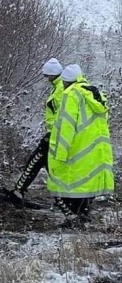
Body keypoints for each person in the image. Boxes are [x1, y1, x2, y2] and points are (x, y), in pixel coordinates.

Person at [47, 64, 114, 227]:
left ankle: (74, 219)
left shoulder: (71, 94)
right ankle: (83, 218)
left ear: (66, 81)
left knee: (63, 183)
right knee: (85, 186)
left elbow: (66, 125)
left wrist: (59, 153)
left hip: (76, 148)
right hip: (95, 151)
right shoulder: (94, 93)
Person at [8, 58, 64, 202]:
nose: (45, 78)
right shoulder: (60, 87)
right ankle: (20, 190)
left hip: (56, 134)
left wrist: (54, 132)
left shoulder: (60, 90)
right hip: (57, 133)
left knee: (37, 159)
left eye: (46, 75)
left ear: (52, 74)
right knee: (41, 161)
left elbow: (61, 114)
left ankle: (20, 190)